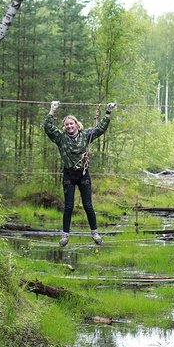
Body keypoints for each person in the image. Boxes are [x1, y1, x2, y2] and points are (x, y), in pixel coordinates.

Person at [43, 100, 116, 246]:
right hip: (69, 175)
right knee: (69, 206)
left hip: (83, 174)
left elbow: (100, 129)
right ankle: (65, 236)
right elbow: (48, 128)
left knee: (88, 205)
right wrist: (52, 110)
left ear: (77, 124)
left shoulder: (86, 135)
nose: (69, 126)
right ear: (64, 127)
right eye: (67, 125)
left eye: (72, 124)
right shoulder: (60, 137)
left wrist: (108, 113)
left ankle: (95, 233)